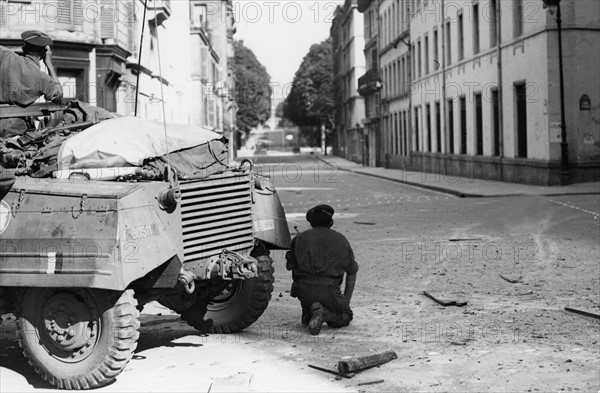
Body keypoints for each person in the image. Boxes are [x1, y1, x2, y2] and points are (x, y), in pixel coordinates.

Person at [285, 204, 358, 335]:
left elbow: (290, 266)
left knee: (308, 315)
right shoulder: (340, 239)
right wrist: (345, 302)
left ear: (311, 223)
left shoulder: (299, 239)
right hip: (329, 290)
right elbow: (352, 271)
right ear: (331, 222)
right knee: (346, 316)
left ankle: (308, 312)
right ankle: (325, 315)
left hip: (304, 291)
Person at [0, 30, 63, 137]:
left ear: (24, 49)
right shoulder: (42, 78)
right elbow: (58, 97)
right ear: (44, 53)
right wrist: (49, 64)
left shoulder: (7, 57)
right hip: (16, 128)